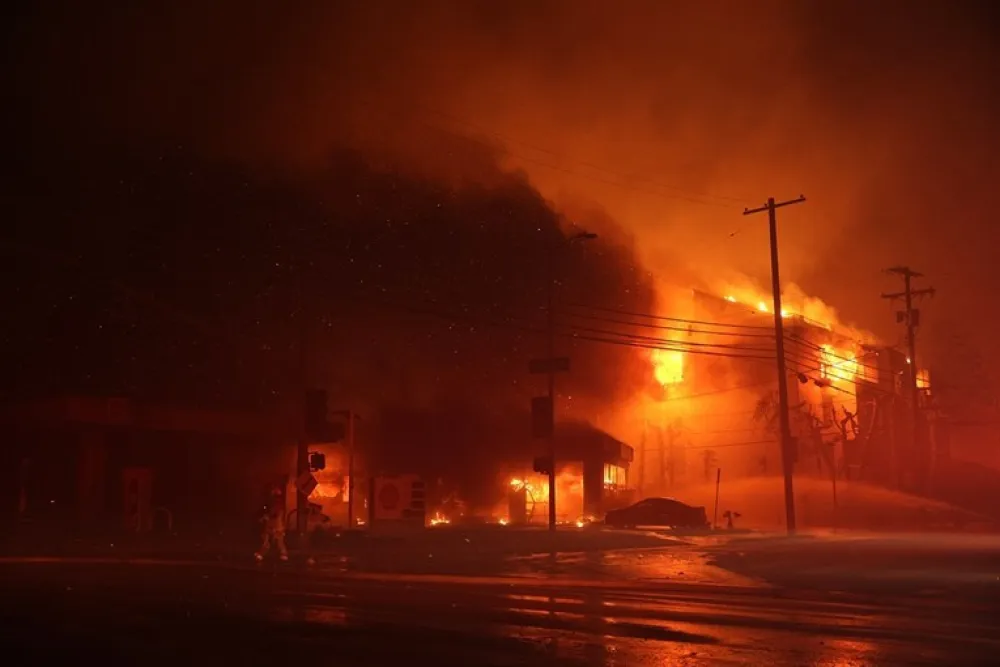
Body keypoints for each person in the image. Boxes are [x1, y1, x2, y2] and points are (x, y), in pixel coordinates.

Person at [255, 484, 288, 562]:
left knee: (279, 542)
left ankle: (283, 554)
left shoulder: (278, 505)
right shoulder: (272, 504)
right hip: (271, 526)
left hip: (277, 526)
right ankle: (261, 554)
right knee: (266, 541)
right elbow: (270, 513)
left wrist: (266, 517)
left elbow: (276, 514)